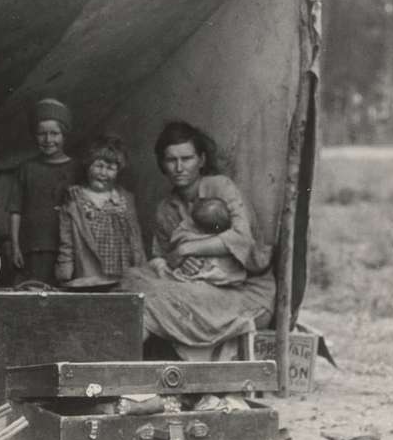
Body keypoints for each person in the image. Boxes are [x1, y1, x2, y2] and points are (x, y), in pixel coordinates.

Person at [121, 121, 275, 361]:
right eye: (171, 160)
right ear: (162, 163)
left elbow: (242, 239)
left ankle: (121, 369)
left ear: (202, 160)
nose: (179, 167)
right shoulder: (166, 208)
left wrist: (188, 248)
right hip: (194, 287)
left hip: (243, 293)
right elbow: (161, 256)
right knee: (131, 281)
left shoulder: (220, 187)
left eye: (187, 158)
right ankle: (115, 369)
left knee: (147, 302)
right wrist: (176, 263)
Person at [54, 135, 146, 289]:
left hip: (122, 276)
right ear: (88, 165)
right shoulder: (75, 200)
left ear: (118, 171)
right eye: (98, 166)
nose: (103, 173)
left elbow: (135, 240)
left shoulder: (125, 200)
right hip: (89, 275)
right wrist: (65, 271)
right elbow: (67, 240)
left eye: (110, 168)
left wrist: (141, 268)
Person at [7, 99, 80, 286]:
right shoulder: (26, 168)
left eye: (55, 133)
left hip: (67, 250)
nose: (48, 140)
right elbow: (15, 210)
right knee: (30, 295)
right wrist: (15, 247)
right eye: (42, 134)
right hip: (31, 249)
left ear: (65, 134)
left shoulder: (77, 169)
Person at [165, 197, 248, 287]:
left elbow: (176, 239)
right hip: (224, 272)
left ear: (199, 228)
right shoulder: (221, 234)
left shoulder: (187, 235)